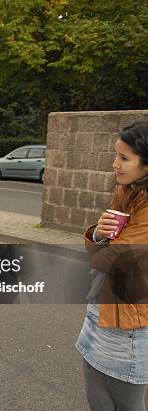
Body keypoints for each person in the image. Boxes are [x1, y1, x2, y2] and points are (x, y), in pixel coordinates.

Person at [76, 121, 148, 411]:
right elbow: (100, 247)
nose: (114, 164)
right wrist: (97, 234)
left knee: (126, 403)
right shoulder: (127, 191)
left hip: (129, 319)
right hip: (104, 307)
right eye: (116, 155)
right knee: (97, 396)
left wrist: (101, 245)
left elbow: (112, 258)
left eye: (124, 158)